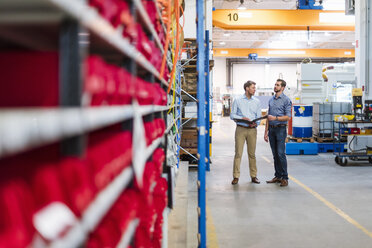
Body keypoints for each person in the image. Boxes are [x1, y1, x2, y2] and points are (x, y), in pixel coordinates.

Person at [230, 80, 262, 185]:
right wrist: (242, 118)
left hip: (252, 130)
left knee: (252, 154)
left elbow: (258, 117)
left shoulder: (257, 101)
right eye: (253, 87)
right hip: (241, 129)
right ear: (247, 88)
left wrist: (256, 123)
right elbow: (232, 115)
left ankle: (254, 176)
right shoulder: (238, 100)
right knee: (238, 153)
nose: (254, 89)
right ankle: (236, 177)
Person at [264, 79, 292, 187]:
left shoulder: (286, 100)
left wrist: (275, 118)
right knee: (275, 154)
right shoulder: (271, 100)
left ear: (283, 87)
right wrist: (265, 132)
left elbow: (288, 117)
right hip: (271, 130)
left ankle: (284, 177)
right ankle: (278, 176)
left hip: (280, 129)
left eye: (278, 85)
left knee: (280, 154)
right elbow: (268, 117)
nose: (275, 86)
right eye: (275, 84)